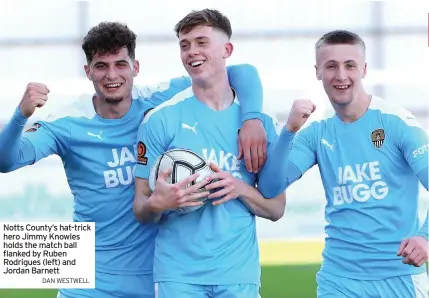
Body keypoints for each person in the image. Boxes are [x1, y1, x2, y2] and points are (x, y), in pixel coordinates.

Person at [0, 22, 269, 298]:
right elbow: (7, 160)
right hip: (88, 284)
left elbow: (238, 72)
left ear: (135, 68)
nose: (111, 74)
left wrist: (251, 119)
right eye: (101, 66)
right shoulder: (67, 123)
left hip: (153, 281)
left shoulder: (159, 102)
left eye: (120, 64)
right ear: (88, 71)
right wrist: (21, 114)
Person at [258, 30, 429, 297]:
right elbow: (270, 187)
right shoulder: (317, 133)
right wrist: (289, 131)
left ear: (364, 69)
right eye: (331, 66)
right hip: (338, 281)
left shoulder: (396, 122)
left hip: (398, 277)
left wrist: (425, 237)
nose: (341, 75)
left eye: (350, 65)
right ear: (318, 72)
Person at [133, 9, 287, 298]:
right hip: (177, 276)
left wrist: (239, 188)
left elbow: (276, 209)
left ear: (226, 49)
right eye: (185, 45)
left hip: (239, 275)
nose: (192, 51)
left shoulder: (259, 123)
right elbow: (141, 209)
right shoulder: (160, 119)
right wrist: (158, 203)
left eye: (201, 42)